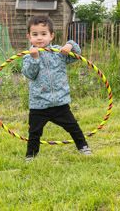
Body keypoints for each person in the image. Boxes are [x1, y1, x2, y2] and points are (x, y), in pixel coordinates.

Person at [22, 15, 92, 162]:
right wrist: (35, 59)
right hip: (39, 104)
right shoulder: (28, 56)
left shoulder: (59, 53)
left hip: (60, 103)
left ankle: (83, 147)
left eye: (43, 34)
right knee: (34, 132)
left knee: (73, 127)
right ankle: (30, 156)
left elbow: (76, 56)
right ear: (29, 37)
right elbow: (30, 74)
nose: (39, 38)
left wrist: (70, 45)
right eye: (35, 34)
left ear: (51, 35)